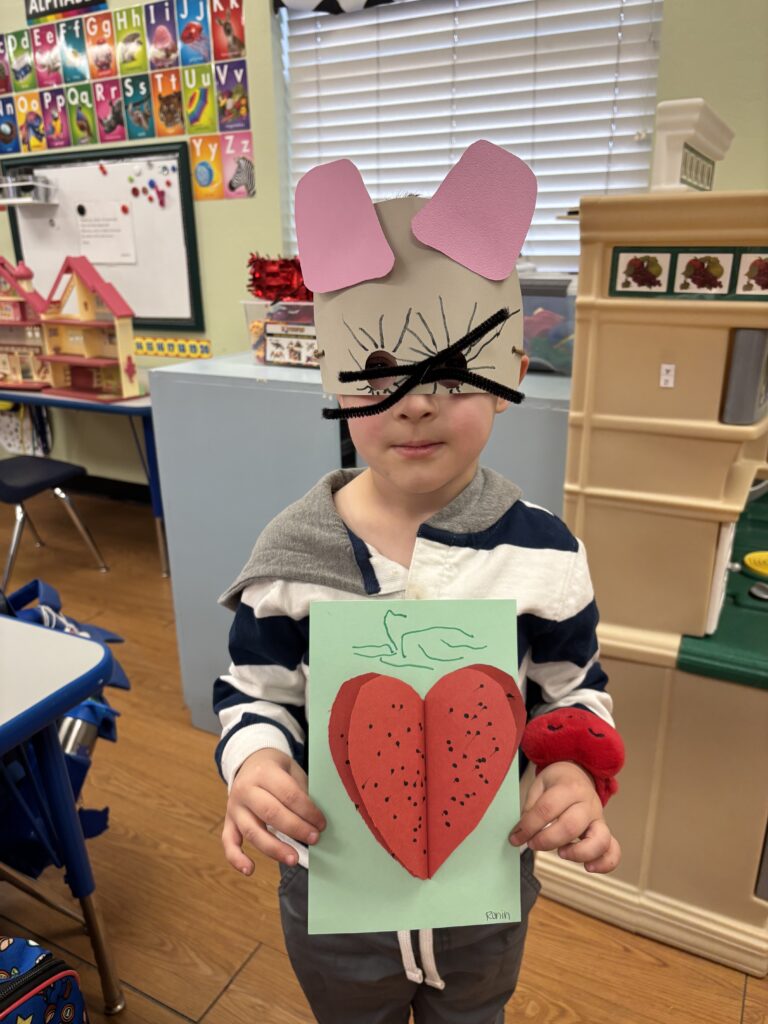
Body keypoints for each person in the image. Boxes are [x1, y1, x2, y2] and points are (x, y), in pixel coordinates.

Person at [214, 142, 623, 1024]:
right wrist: (255, 762)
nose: (415, 402)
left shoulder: (545, 553)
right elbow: (254, 692)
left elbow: (574, 688)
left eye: (452, 370)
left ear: (510, 376)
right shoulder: (290, 557)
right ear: (334, 379)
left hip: (485, 900)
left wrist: (571, 768)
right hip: (334, 899)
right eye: (379, 372)